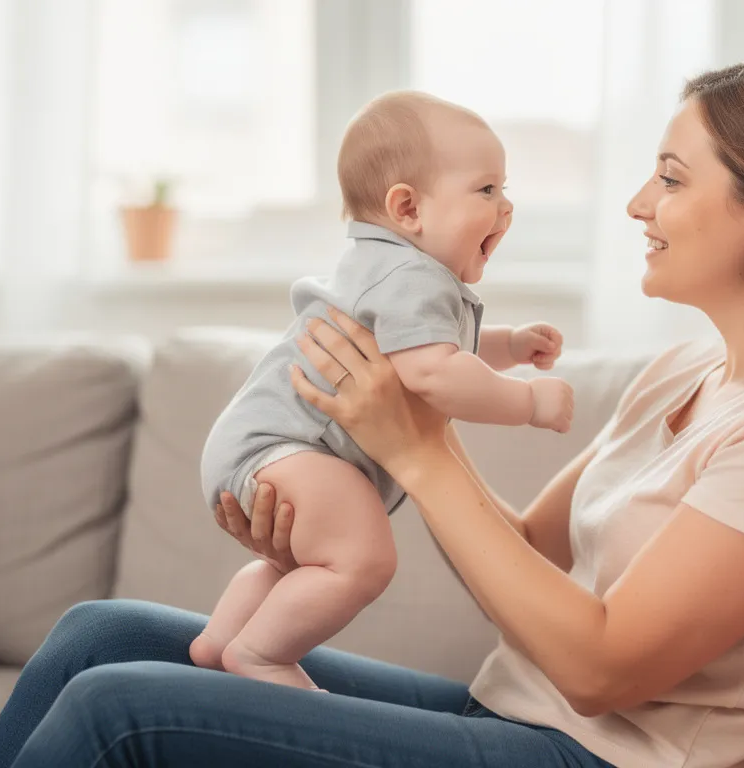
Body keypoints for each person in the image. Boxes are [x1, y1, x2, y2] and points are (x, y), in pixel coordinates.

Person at [0, 62, 744, 768]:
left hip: (602, 758)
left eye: (673, 179)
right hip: (510, 714)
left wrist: (420, 448)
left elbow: (603, 670)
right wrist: (337, 481)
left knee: (114, 711)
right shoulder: (685, 375)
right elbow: (527, 555)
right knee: (101, 634)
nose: (639, 203)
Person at [193, 90, 573, 691]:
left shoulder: (390, 271)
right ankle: (261, 656)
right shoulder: (413, 275)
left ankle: (223, 641)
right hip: (289, 446)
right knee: (364, 561)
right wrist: (529, 400)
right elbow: (436, 373)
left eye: (504, 189)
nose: (507, 208)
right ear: (408, 208)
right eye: (487, 190)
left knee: (299, 565)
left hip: (261, 444)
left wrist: (509, 344)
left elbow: (430, 351)